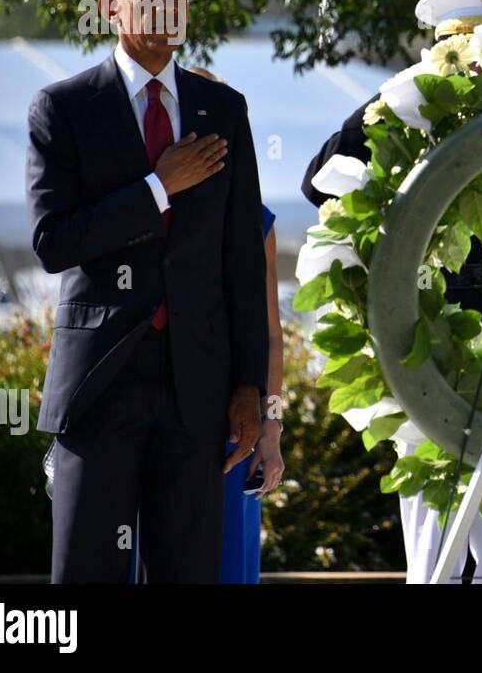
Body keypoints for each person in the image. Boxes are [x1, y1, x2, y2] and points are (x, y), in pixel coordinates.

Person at [302, 0, 482, 583]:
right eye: (461, 52)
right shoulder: (409, 117)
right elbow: (321, 181)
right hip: (428, 355)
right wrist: (400, 100)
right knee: (434, 557)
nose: (476, 67)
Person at [27, 0, 268, 583]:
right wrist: (157, 188)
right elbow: (53, 241)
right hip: (100, 385)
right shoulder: (64, 108)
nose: (168, 5)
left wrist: (252, 390)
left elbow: (242, 260)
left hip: (198, 389)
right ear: (110, 9)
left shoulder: (225, 109)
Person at [187, 66, 286, 585]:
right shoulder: (145, 206)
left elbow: (271, 333)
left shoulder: (257, 221)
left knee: (229, 563)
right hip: (153, 417)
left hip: (235, 423)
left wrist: (271, 428)